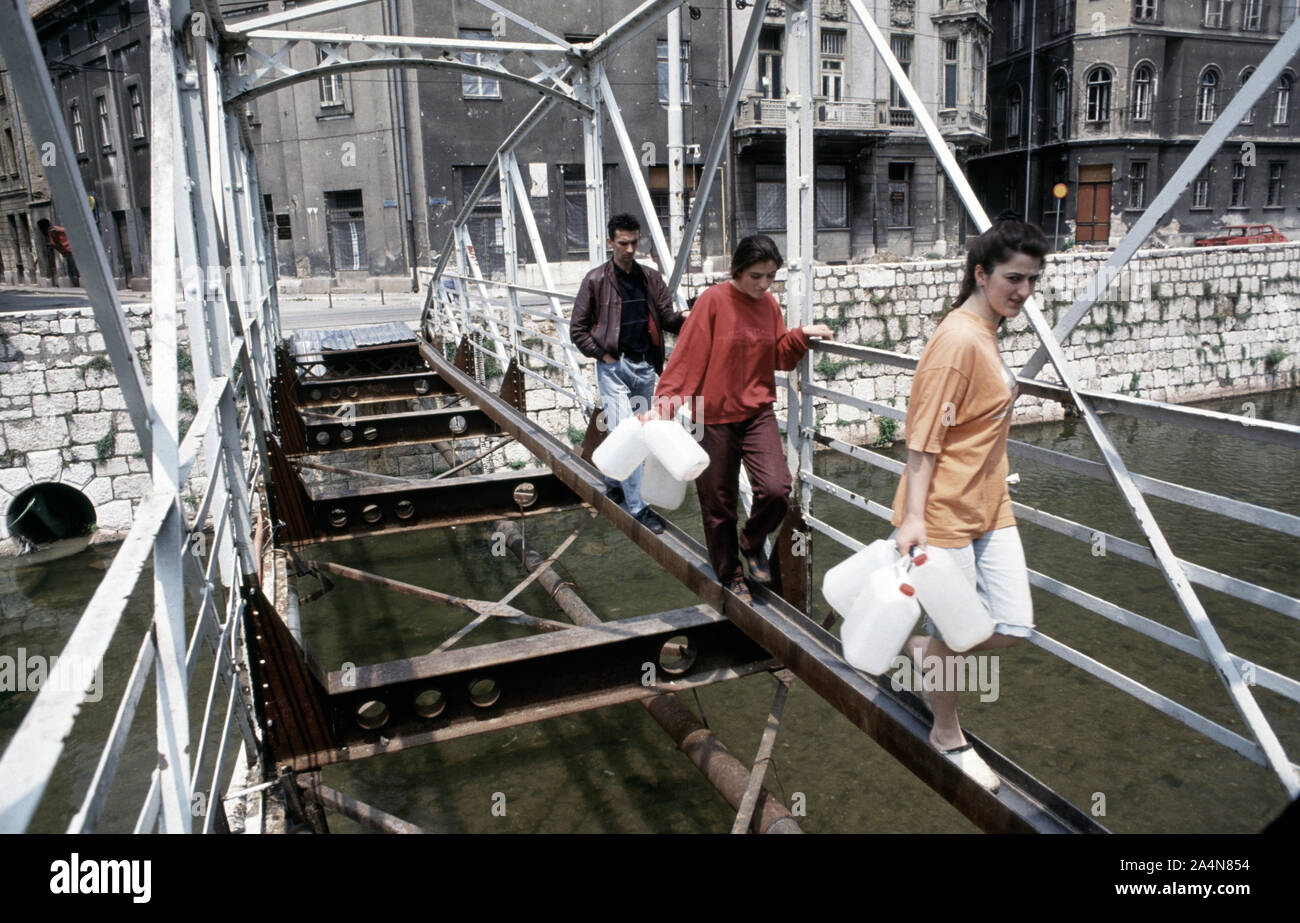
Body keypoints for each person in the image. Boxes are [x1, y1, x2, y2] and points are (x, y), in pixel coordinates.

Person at [890, 219, 1048, 792]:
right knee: (958, 637)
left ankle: (913, 647)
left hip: (989, 505)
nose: (1023, 291)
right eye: (1013, 278)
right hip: (943, 514)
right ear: (981, 274)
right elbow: (923, 434)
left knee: (1013, 625)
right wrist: (912, 519)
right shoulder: (959, 339)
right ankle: (947, 731)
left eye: (1032, 280)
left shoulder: (987, 330)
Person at [653, 234, 833, 600]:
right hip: (711, 416)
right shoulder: (713, 302)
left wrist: (801, 335)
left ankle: (752, 543)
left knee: (777, 489)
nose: (764, 285)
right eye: (756, 276)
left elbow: (779, 357)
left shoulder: (769, 306)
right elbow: (687, 355)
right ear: (737, 270)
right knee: (719, 504)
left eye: (770, 277)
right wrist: (665, 404)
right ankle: (730, 575)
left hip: (756, 414)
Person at [570, 213, 686, 534]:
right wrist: (604, 356)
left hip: (646, 368)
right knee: (632, 435)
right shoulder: (595, 280)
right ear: (610, 242)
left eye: (635, 242)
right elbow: (577, 330)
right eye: (623, 243)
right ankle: (638, 508)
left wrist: (689, 317)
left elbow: (666, 317)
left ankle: (613, 481)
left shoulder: (649, 277)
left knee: (631, 433)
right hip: (614, 367)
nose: (631, 249)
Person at [37, 218, 79, 287]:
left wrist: (61, 251)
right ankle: (75, 282)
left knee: (70, 265)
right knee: (73, 265)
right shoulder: (57, 229)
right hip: (71, 247)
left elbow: (53, 243)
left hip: (66, 250)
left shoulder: (52, 232)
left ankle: (73, 283)